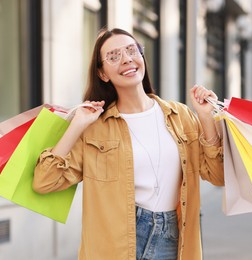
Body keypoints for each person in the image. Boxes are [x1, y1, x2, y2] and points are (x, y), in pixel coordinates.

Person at [33, 27, 224, 260]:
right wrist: (76, 125)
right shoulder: (96, 127)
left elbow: (217, 176)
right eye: (113, 56)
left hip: (172, 240)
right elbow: (44, 181)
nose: (126, 59)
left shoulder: (181, 116)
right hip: (115, 245)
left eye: (132, 50)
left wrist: (205, 118)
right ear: (103, 74)